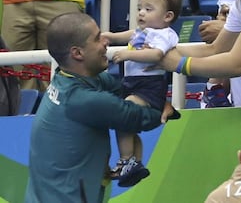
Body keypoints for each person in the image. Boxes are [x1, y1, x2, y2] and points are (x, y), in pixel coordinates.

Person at [24, 12, 163, 203]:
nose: (106, 42)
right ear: (77, 53)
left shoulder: (68, 78)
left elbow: (122, 90)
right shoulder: (83, 100)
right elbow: (145, 116)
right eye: (97, 38)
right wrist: (163, 67)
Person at [101, 0, 182, 187]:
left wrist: (128, 54)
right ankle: (134, 162)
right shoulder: (145, 31)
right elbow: (130, 34)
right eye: (140, 8)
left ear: (167, 16)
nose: (141, 13)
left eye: (148, 9)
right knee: (129, 124)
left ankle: (126, 160)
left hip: (148, 87)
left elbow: (156, 55)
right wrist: (112, 37)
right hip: (132, 84)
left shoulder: (164, 34)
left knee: (125, 116)